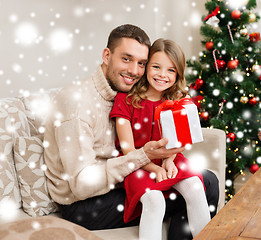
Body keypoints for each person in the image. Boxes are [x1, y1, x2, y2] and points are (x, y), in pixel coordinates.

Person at [43, 24, 219, 240]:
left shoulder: (125, 91)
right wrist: (145, 160)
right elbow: (82, 186)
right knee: (204, 184)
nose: (134, 71)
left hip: (122, 179)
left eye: (141, 63)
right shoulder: (77, 104)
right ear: (107, 55)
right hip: (85, 205)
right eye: (126, 59)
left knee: (202, 180)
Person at [110, 38, 210, 240]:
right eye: (156, 67)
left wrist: (169, 160)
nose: (162, 75)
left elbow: (177, 141)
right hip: (136, 164)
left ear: (178, 73)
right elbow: (128, 150)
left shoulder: (177, 102)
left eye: (171, 70)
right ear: (146, 67)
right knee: (155, 201)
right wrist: (155, 168)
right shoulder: (125, 100)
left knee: (195, 187)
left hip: (168, 159)